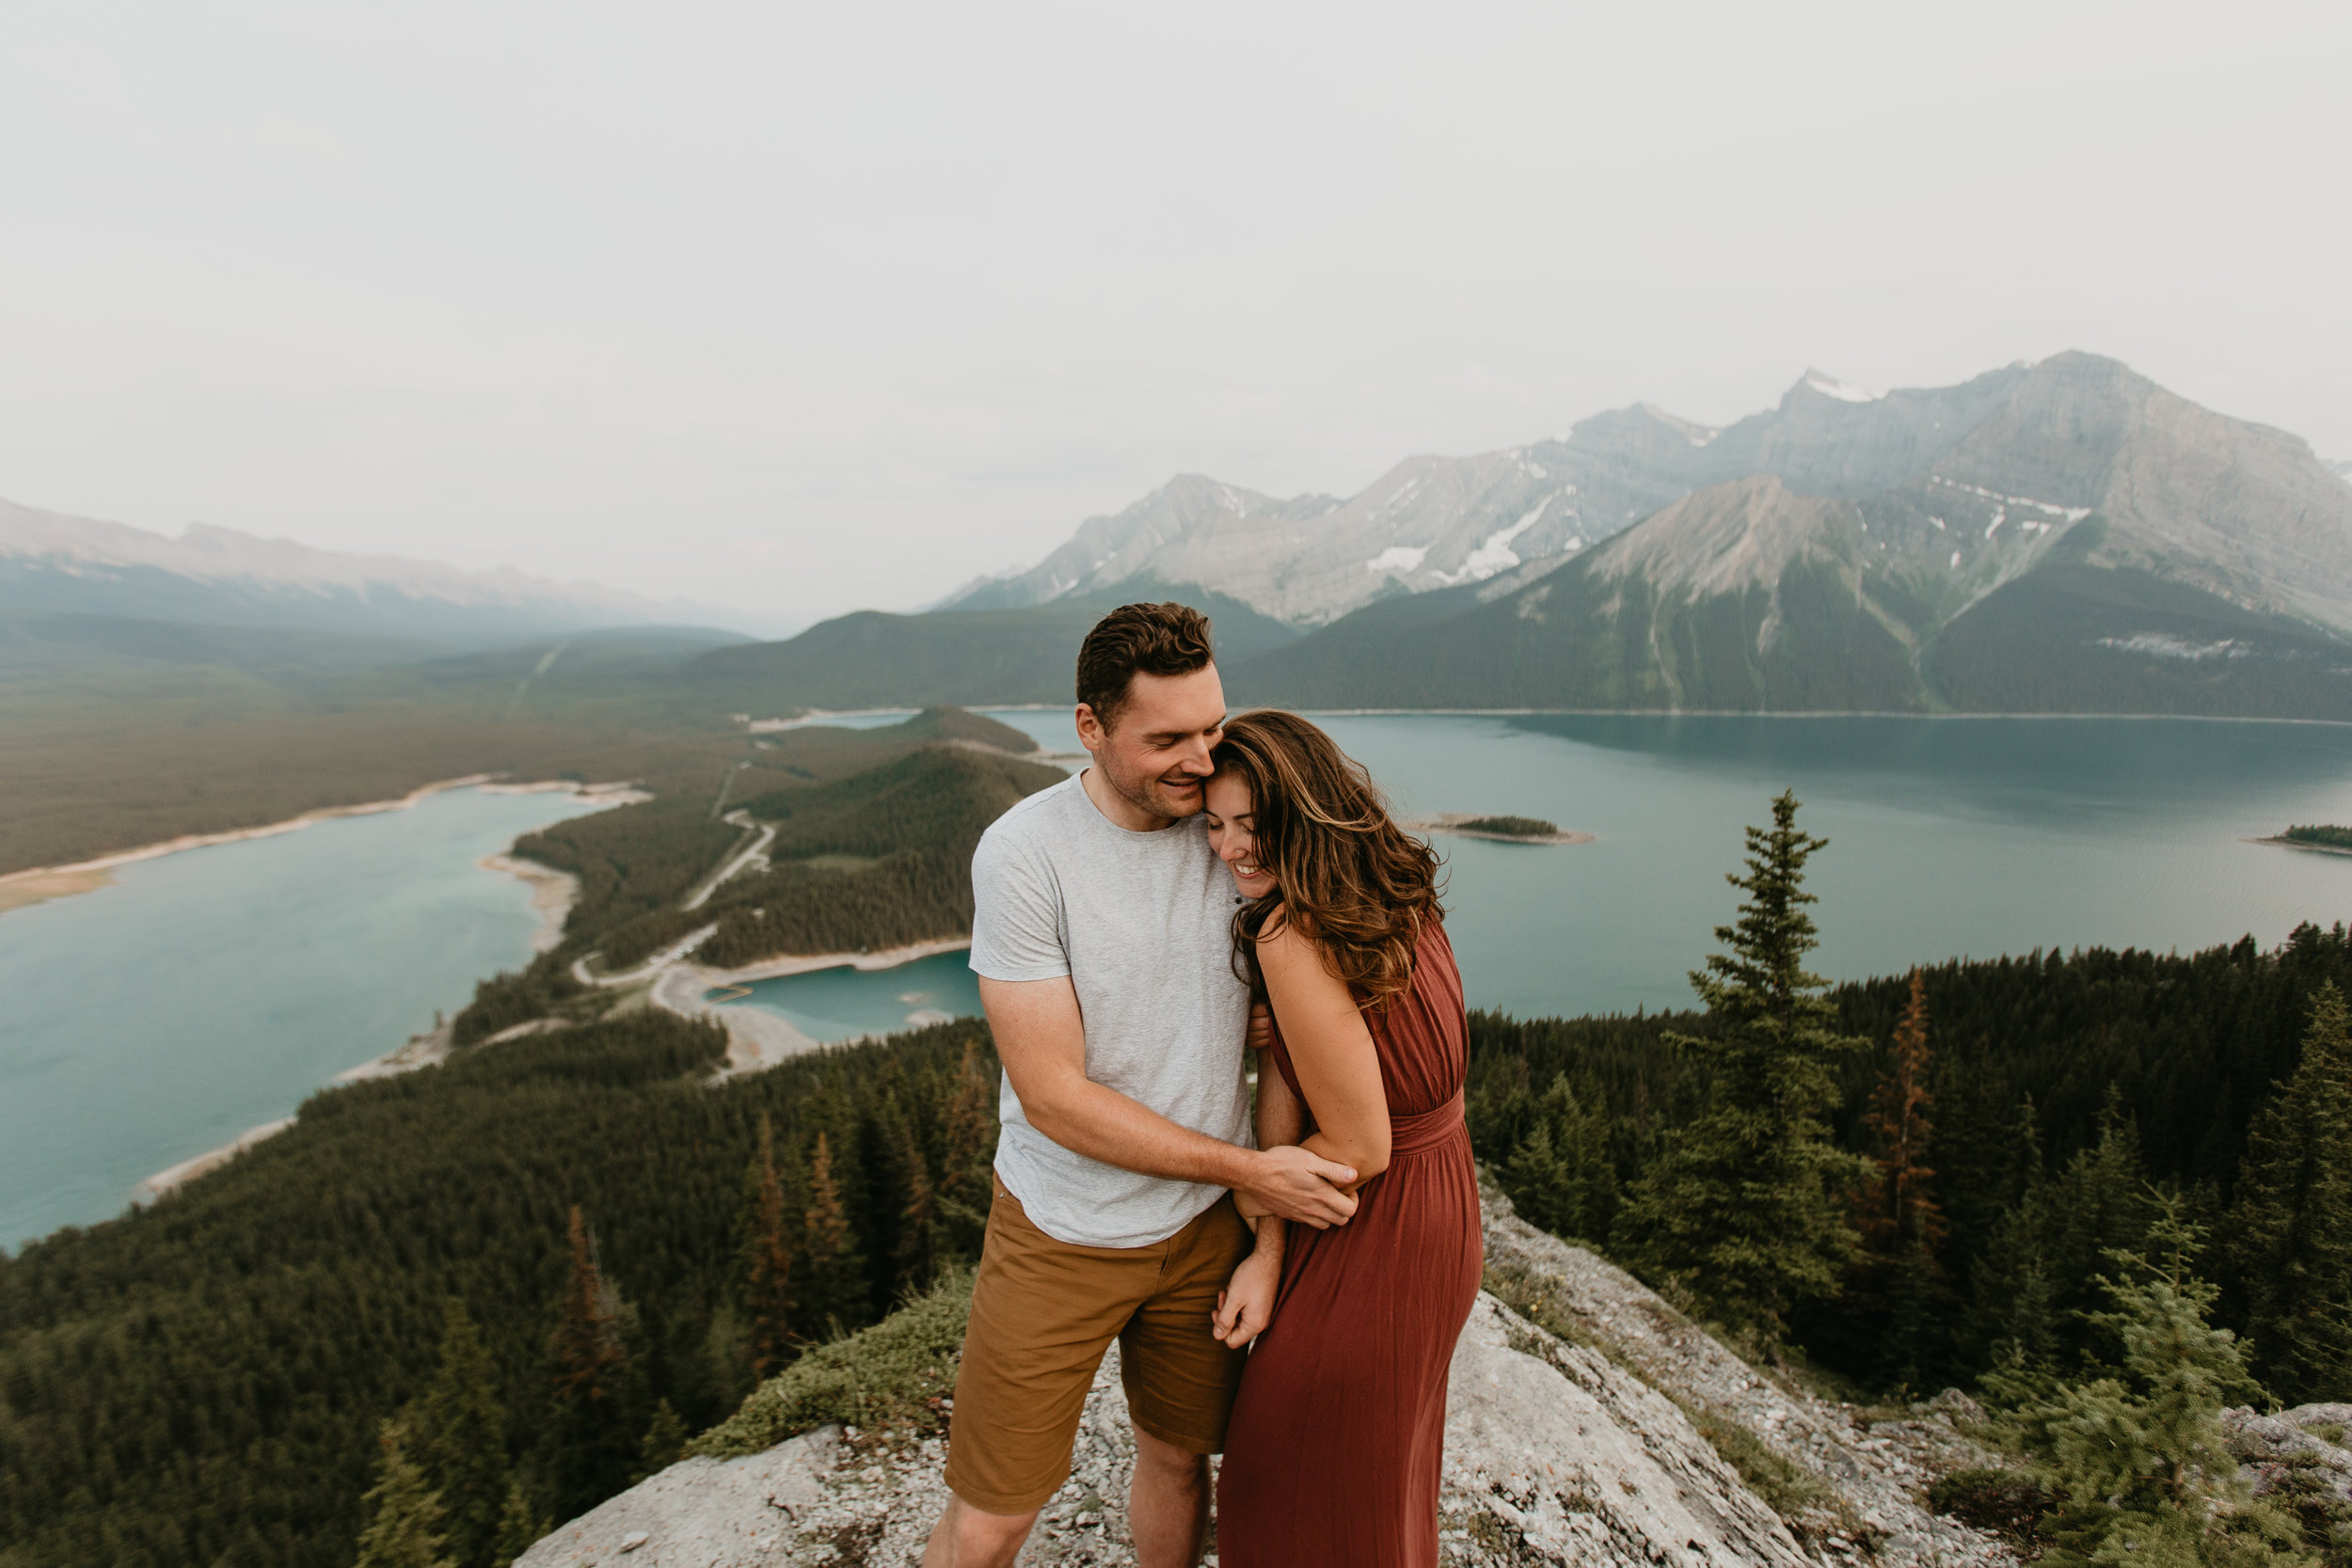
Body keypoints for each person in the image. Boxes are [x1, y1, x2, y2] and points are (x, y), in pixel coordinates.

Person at [922, 604, 1360, 1568]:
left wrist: (1263, 1229)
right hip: (1062, 1230)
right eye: (1166, 738)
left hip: (1205, 1227)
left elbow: (1298, 1017)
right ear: (1090, 726)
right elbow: (1053, 1096)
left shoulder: (1234, 830)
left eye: (1211, 727)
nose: (1201, 760)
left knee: (1177, 1460)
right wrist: (1253, 1171)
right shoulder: (1026, 852)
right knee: (993, 1514)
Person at [1204, 709, 1485, 1568]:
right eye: (1213, 825)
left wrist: (1243, 1184)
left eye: (1252, 824)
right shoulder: (1392, 887)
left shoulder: (1292, 933)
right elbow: (1305, 1077)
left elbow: (1360, 1145)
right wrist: (1269, 1247)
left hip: (1380, 1221)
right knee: (1375, 1476)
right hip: (1443, 1205)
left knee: (1282, 1475)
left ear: (1305, 808)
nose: (1229, 848)